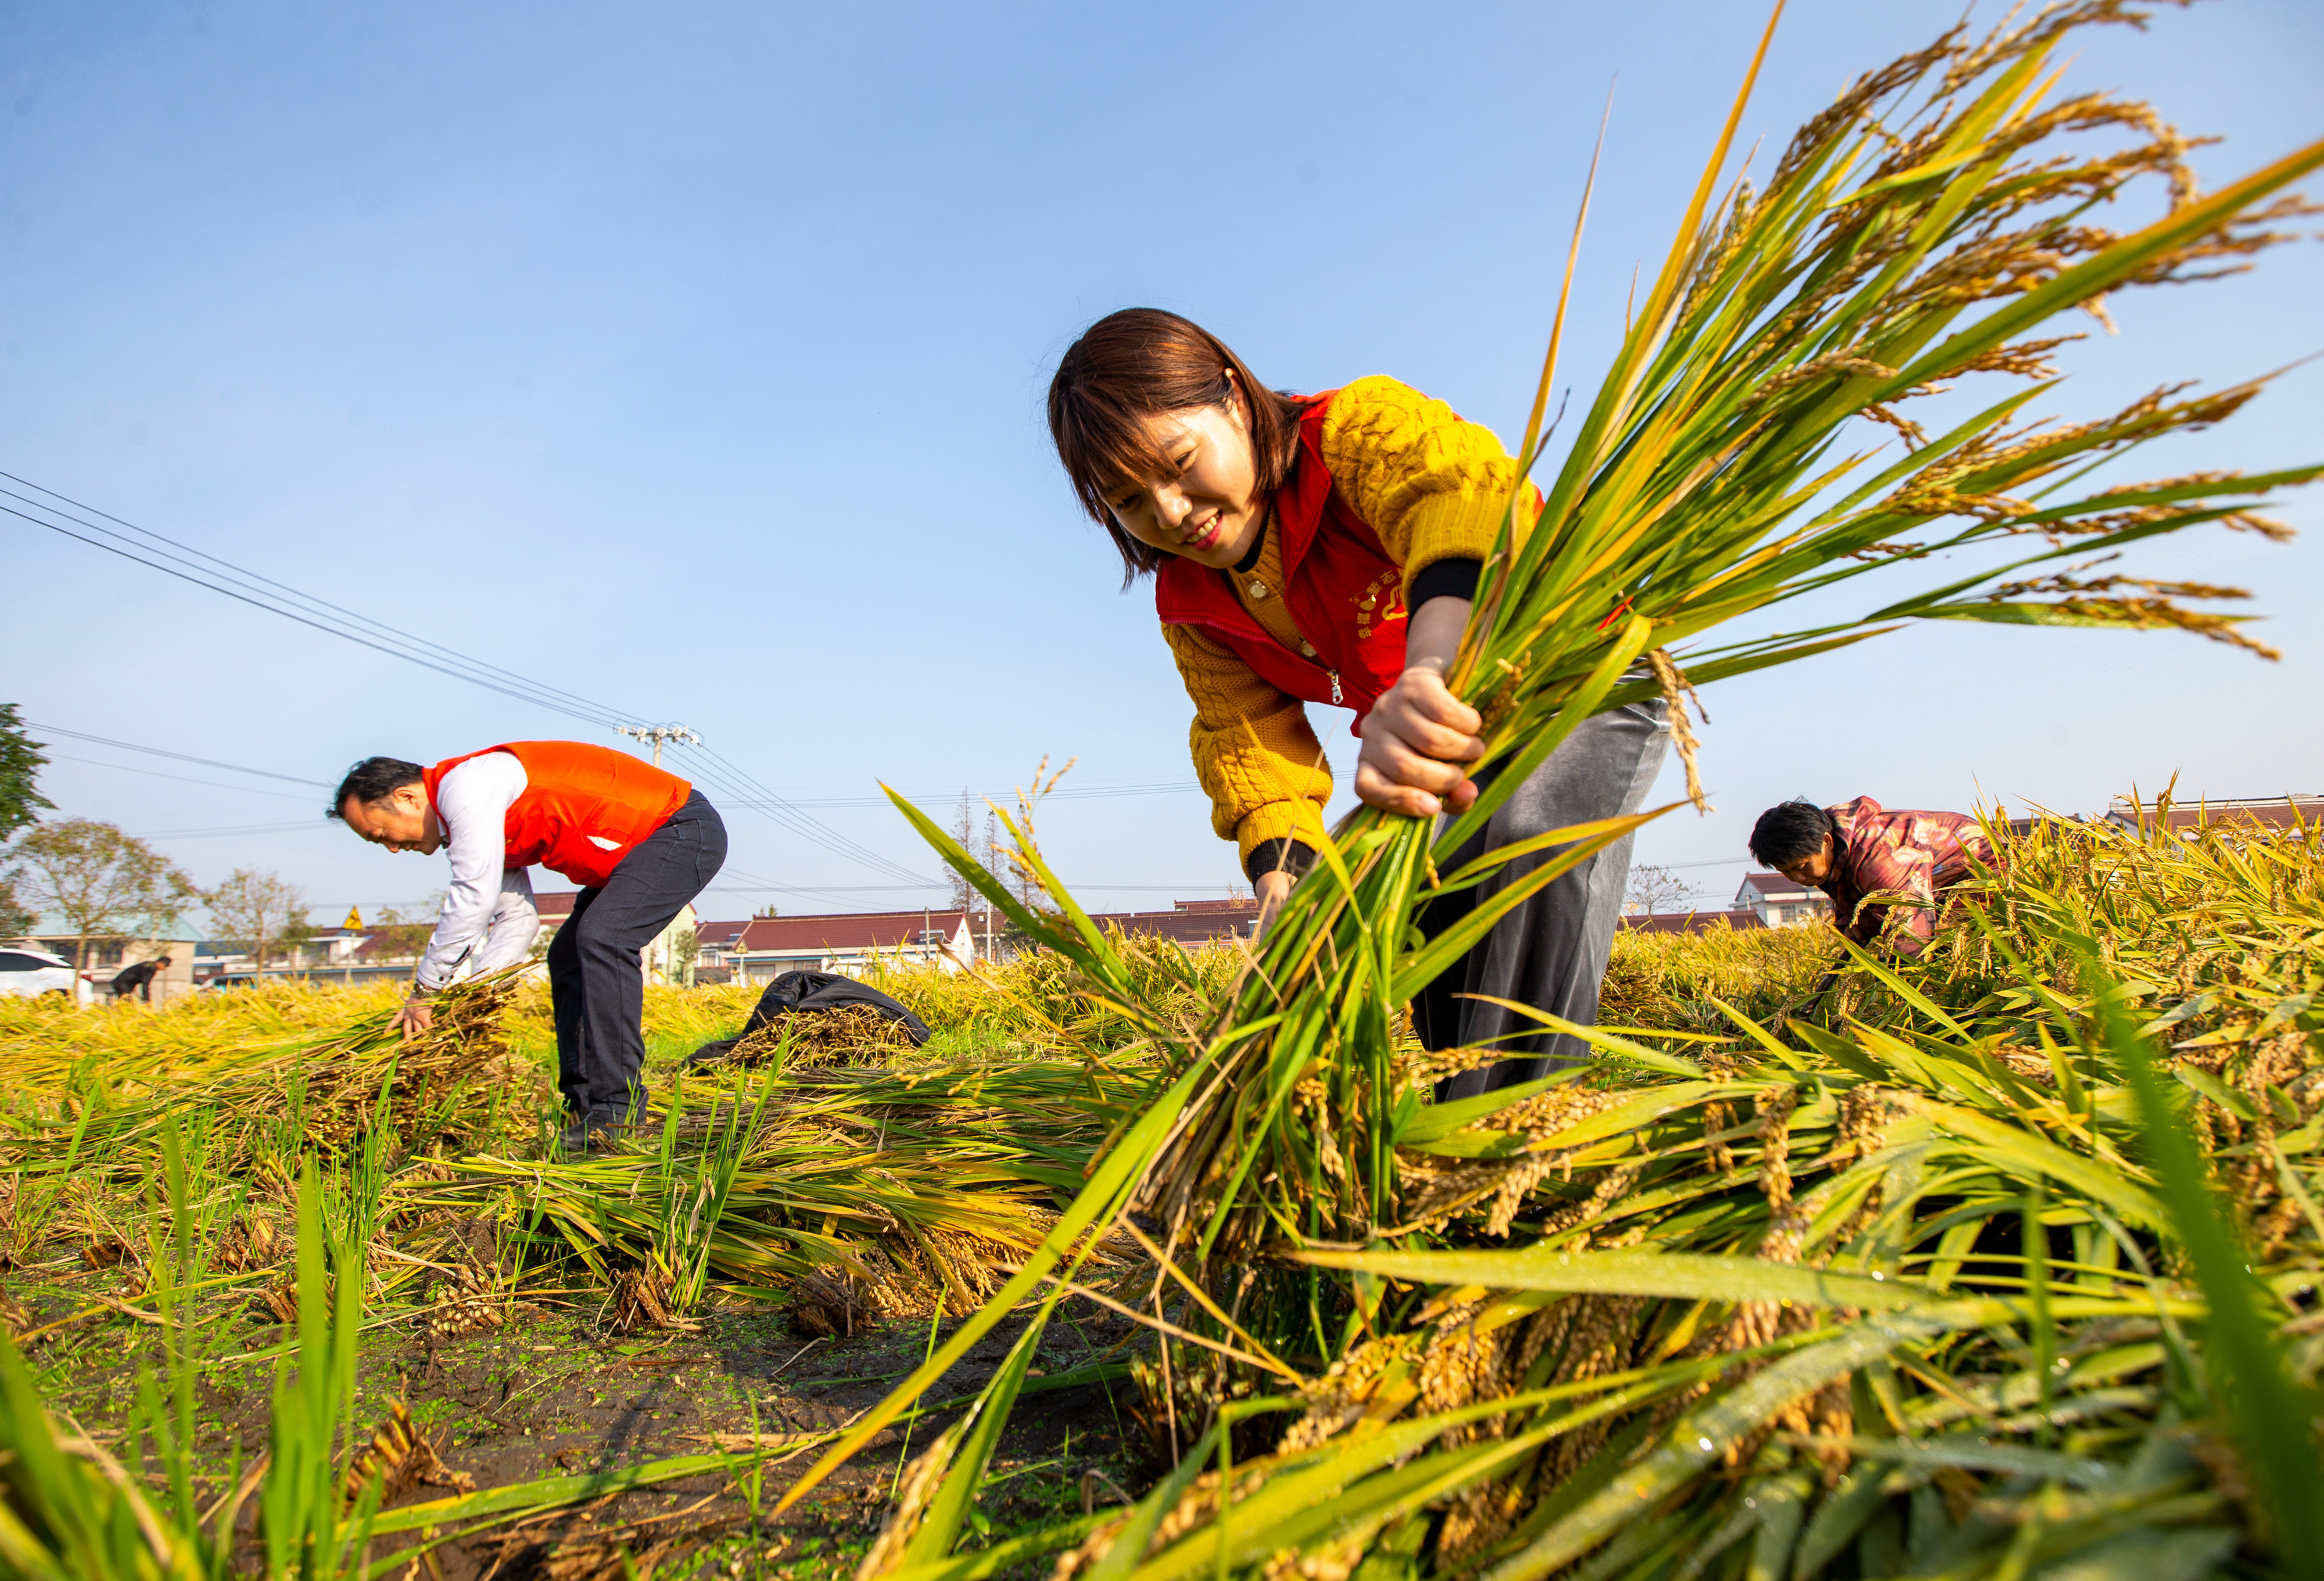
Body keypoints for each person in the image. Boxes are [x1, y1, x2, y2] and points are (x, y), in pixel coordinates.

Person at [1046, 309, 1669, 1099]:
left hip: (1575, 678)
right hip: (1444, 747)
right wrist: (1283, 875)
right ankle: (1455, 1121)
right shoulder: (1191, 600)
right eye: (1131, 502)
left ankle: (1517, 1137)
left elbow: (1460, 503)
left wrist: (1430, 672)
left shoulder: (1355, 432)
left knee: (1522, 841)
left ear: (1236, 400)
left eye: (1178, 463)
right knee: (1417, 890)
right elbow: (1248, 740)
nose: (1171, 513)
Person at [328, 741, 727, 1148]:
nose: (393, 847)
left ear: (406, 797)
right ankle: (585, 1104)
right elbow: (517, 918)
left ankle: (617, 1111)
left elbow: (473, 897)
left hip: (679, 828)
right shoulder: (476, 815)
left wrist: (426, 990)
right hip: (643, 846)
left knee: (605, 937)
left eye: (381, 834)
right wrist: (469, 1003)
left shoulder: (466, 788)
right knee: (568, 953)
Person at [1748, 797, 1993, 956]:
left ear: (1826, 842)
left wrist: (1902, 989)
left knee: (1950, 950)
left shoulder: (1876, 858)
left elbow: (1911, 934)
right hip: (1934, 883)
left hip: (1985, 872)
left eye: (1801, 867)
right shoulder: (1832, 852)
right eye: (1787, 871)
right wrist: (1855, 925)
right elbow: (1853, 894)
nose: (1798, 878)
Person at [108, 954, 172, 1002]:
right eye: (165, 966)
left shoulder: (149, 965)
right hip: (122, 983)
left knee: (128, 1002)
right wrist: (147, 1000)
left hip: (124, 983)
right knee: (127, 1003)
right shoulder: (150, 969)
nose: (165, 969)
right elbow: (145, 985)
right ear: (161, 963)